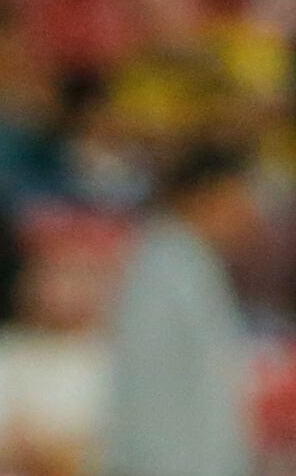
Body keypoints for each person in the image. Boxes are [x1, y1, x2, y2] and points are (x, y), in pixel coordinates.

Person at [101, 145, 260, 476]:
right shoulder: (161, 267)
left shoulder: (193, 263)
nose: (248, 215)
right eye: (237, 201)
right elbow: (150, 389)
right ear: (202, 197)